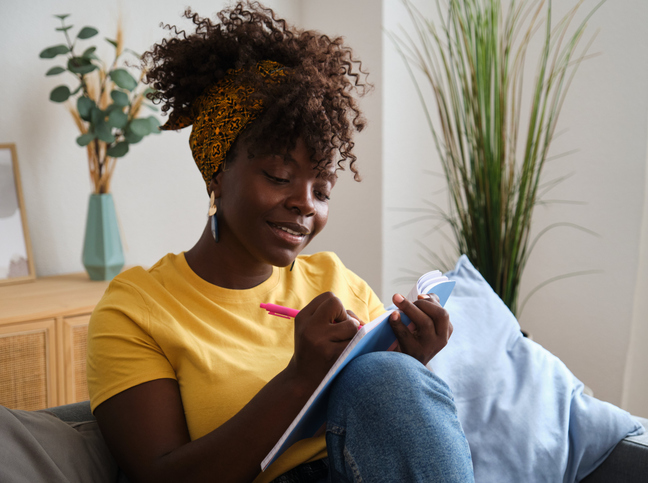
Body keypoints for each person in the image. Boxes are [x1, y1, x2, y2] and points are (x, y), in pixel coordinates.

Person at [86, 2, 474, 482]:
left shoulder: (334, 281)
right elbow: (159, 476)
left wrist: (413, 362)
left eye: (322, 189)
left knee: (389, 377)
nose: (305, 204)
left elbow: (383, 422)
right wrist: (298, 380)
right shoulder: (136, 309)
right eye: (278, 176)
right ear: (217, 176)